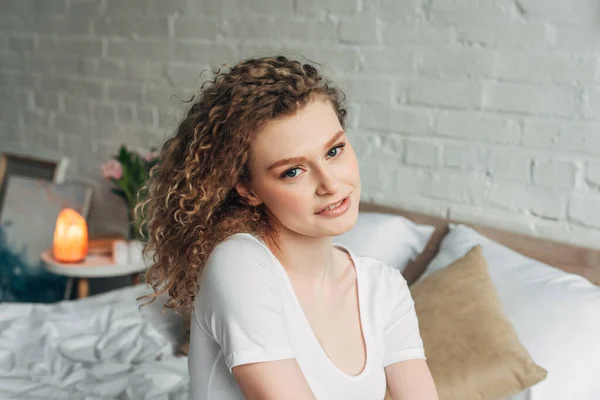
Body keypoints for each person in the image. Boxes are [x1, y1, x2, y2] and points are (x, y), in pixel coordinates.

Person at [139, 55, 438, 399]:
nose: (329, 183)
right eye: (292, 171)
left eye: (334, 151)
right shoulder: (239, 265)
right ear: (248, 189)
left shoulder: (384, 289)